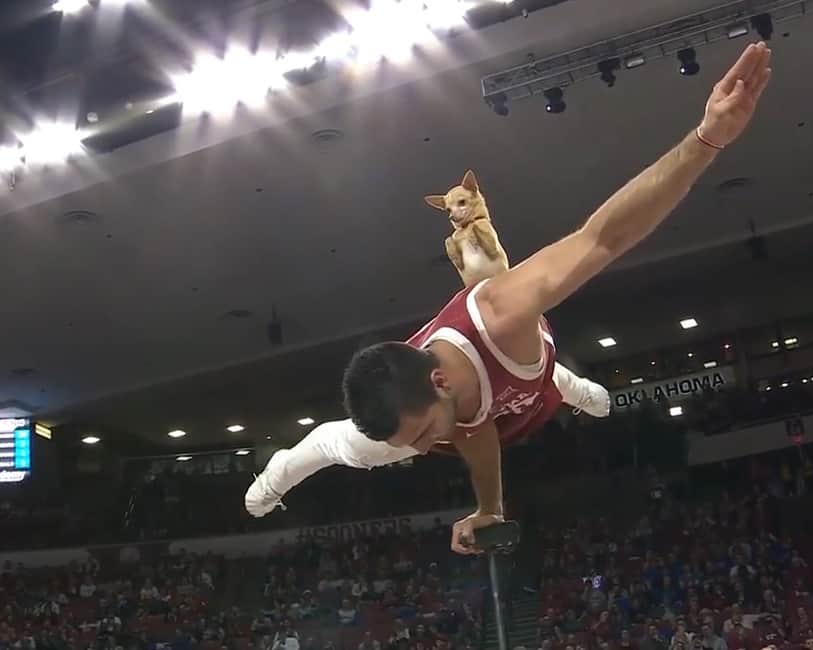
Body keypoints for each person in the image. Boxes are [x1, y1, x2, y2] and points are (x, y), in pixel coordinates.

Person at [246, 42, 773, 553]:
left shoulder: (503, 311)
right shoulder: (423, 416)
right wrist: (489, 509)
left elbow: (604, 236)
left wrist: (707, 139)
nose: (427, 451)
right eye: (419, 442)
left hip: (513, 359)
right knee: (339, 449)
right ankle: (278, 475)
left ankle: (562, 382)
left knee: (543, 376)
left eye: (425, 434)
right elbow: (470, 433)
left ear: (439, 381)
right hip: (490, 384)